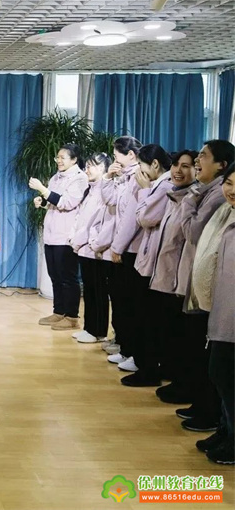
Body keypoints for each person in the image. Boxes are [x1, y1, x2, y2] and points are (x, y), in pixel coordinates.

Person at [176, 140, 235, 432]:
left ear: (221, 164)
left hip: (221, 306)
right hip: (209, 299)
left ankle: (215, 420)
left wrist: (189, 198)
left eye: (203, 156)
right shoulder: (220, 202)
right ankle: (212, 419)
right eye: (230, 184)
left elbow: (192, 232)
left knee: (218, 370)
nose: (198, 160)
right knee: (209, 365)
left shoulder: (214, 198)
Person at [146, 151, 197, 403]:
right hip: (165, 276)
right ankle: (173, 377)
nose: (178, 170)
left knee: (179, 336)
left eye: (186, 166)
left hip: (180, 281)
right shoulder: (175, 196)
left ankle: (182, 384)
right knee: (167, 332)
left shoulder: (193, 198)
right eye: (176, 164)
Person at [120, 144, 173, 387]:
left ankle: (148, 369)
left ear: (154, 164)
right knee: (143, 315)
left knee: (148, 318)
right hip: (148, 258)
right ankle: (146, 365)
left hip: (154, 262)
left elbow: (144, 218)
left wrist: (143, 191)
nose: (138, 171)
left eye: (141, 165)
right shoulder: (157, 185)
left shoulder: (163, 185)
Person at [193, 163, 235, 465]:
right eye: (230, 183)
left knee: (226, 375)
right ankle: (226, 430)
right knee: (219, 373)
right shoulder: (227, 215)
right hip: (223, 311)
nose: (232, 190)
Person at [29, 144, 89, 331]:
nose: (59, 161)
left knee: (67, 277)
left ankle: (72, 316)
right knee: (55, 275)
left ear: (74, 160)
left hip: (66, 235)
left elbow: (67, 202)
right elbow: (53, 201)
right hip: (52, 233)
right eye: (58, 157)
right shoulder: (56, 177)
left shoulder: (80, 179)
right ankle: (59, 311)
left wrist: (42, 189)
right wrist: (43, 202)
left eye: (63, 157)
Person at [97, 136, 143, 372]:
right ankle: (125, 347)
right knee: (120, 300)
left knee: (130, 303)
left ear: (131, 155)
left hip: (130, 249)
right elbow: (111, 201)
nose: (115, 159)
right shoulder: (123, 176)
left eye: (117, 156)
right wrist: (107, 178)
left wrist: (117, 247)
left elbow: (131, 218)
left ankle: (133, 350)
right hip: (120, 246)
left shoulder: (138, 177)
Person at [68, 152, 112, 343]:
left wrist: (89, 242)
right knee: (90, 291)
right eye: (87, 166)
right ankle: (89, 328)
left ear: (103, 168)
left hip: (95, 249)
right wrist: (74, 239)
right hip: (84, 248)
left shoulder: (105, 190)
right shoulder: (89, 189)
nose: (87, 169)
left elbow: (96, 222)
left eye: (92, 165)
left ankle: (98, 331)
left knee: (98, 292)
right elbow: (81, 218)